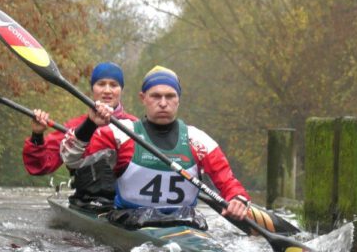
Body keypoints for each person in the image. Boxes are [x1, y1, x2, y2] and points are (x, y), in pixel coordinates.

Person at [59, 65, 250, 228]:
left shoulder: (198, 140)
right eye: (156, 96)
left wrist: (237, 199)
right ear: (143, 98)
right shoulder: (120, 133)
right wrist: (90, 124)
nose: (163, 103)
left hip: (184, 223)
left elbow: (228, 181)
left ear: (178, 99)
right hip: (131, 222)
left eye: (170, 96)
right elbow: (71, 158)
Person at [22, 61, 137, 207]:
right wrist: (37, 135)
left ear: (121, 90)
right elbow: (40, 166)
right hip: (87, 203)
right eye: (101, 84)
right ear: (92, 89)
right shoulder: (74, 127)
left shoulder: (135, 126)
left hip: (128, 207)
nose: (107, 90)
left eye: (114, 85)